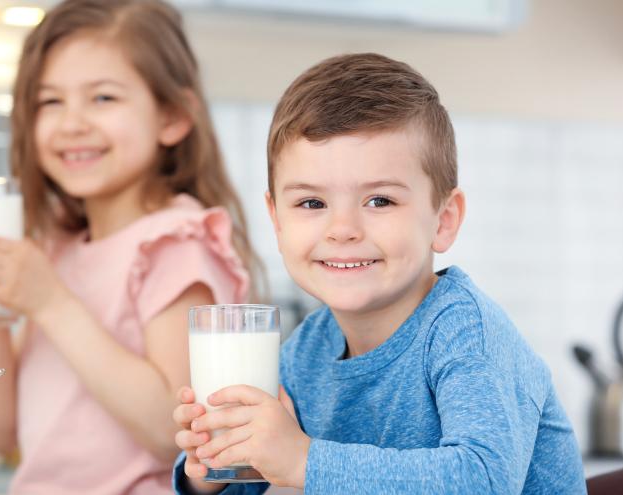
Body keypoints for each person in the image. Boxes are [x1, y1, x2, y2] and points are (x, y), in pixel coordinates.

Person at [172, 53, 586, 494]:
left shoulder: (467, 335)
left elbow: (482, 480)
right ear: (277, 221)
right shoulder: (307, 351)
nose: (343, 230)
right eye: (311, 203)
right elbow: (272, 475)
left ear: (443, 220)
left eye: (379, 201)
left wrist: (302, 459)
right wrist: (213, 471)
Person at [0, 0, 259, 492]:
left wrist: (50, 302)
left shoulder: (175, 244)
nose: (71, 123)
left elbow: (174, 436)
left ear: (172, 116)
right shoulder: (57, 250)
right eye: (50, 102)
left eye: (103, 98)